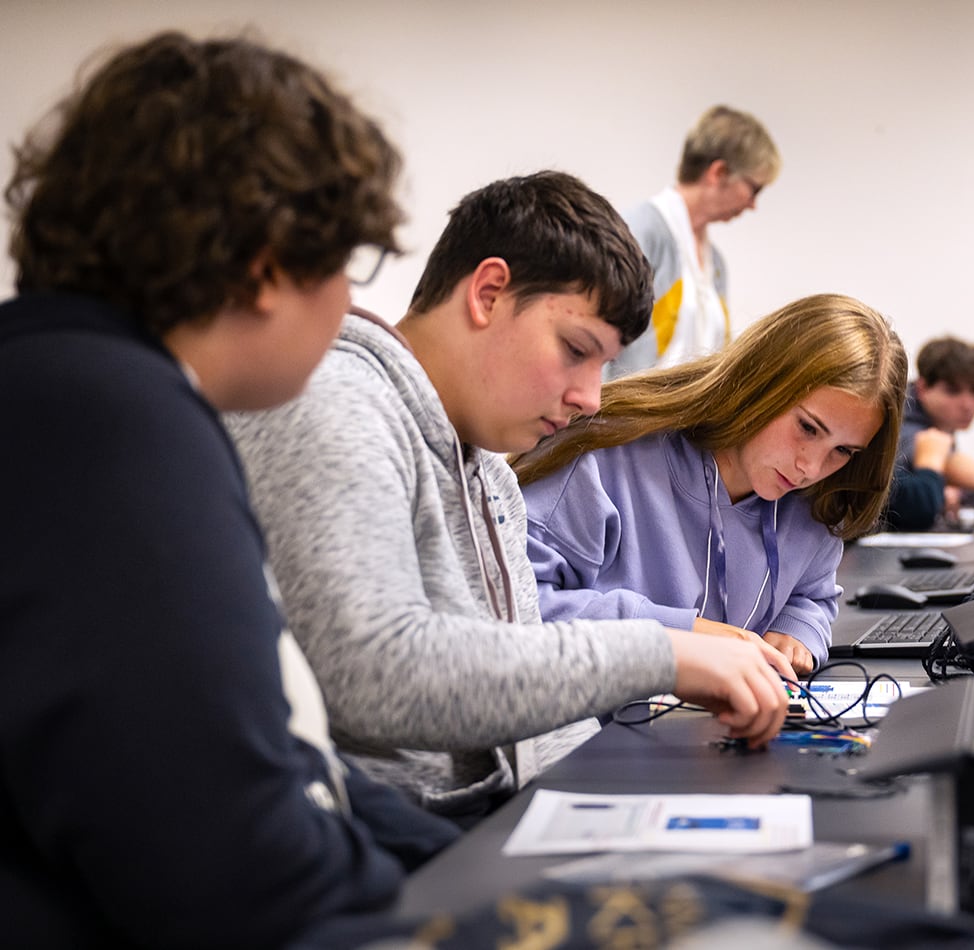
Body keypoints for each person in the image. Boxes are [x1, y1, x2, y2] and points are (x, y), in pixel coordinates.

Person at [0, 31, 467, 947]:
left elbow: (280, 754)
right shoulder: (113, 419)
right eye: (346, 266)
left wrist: (450, 858)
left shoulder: (73, 387)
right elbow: (236, 868)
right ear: (265, 267)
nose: (348, 302)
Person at [225, 171, 793, 823]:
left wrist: (627, 810)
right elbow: (378, 673)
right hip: (389, 841)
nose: (592, 397)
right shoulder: (341, 407)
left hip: (490, 819)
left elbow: (525, 722)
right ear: (489, 292)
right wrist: (661, 653)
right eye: (577, 351)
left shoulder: (487, 471)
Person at [513, 294, 909, 676]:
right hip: (591, 734)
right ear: (763, 383)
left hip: (706, 732)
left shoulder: (817, 500)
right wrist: (683, 635)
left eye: (842, 450)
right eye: (807, 427)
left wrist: (797, 629)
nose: (810, 467)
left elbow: (812, 595)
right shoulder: (603, 458)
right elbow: (517, 611)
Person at [606, 104, 780, 378]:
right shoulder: (639, 233)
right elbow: (601, 343)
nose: (753, 204)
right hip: (629, 415)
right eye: (754, 189)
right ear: (719, 173)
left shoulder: (717, 264)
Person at [883, 335, 974, 532]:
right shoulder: (902, 415)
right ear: (922, 388)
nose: (967, 404)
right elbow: (930, 452)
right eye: (952, 391)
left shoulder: (938, 421)